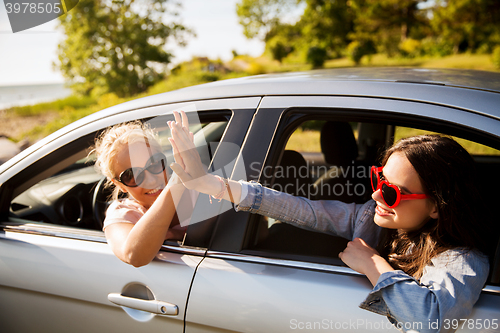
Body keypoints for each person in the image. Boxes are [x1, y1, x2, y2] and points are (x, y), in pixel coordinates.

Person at [168, 111, 490, 333]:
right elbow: (302, 210)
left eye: (393, 193)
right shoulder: (370, 219)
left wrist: (374, 265)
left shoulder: (463, 259)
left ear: (435, 206)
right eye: (379, 180)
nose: (376, 195)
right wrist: (211, 184)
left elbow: (428, 319)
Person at [92, 119, 195, 267]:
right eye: (132, 175)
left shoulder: (194, 190)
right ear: (119, 185)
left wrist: (175, 234)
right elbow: (134, 256)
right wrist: (174, 186)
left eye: (154, 164)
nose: (151, 181)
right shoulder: (123, 213)